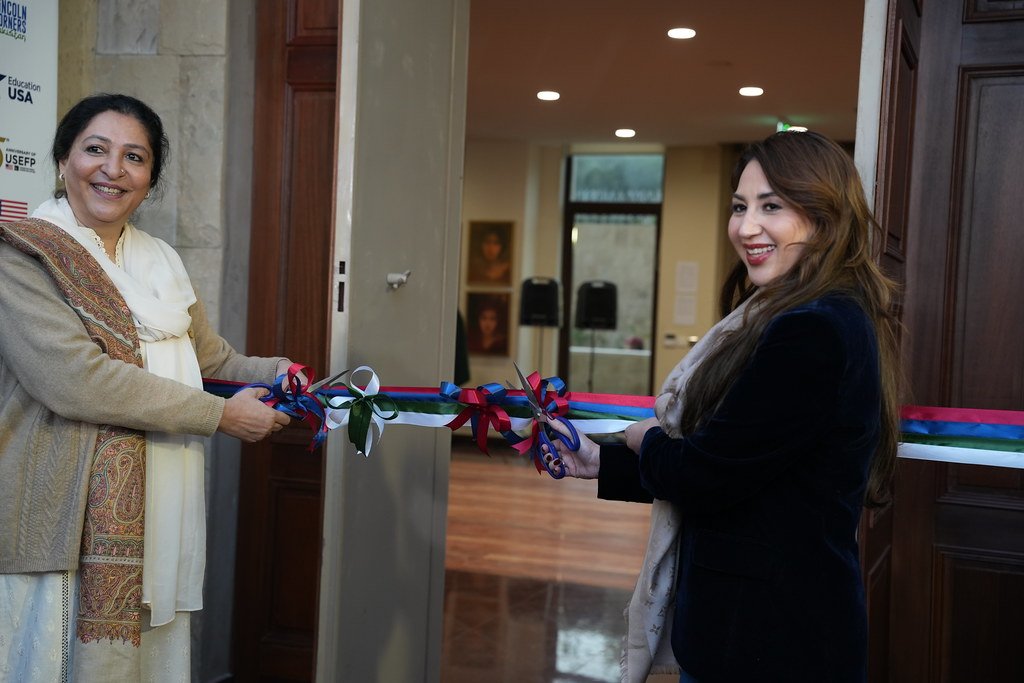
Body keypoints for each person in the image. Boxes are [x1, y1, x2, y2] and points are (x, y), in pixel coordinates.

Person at [543, 130, 901, 682]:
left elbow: (706, 475)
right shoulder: (805, 315)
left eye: (772, 206)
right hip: (766, 632)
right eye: (739, 206)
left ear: (827, 218)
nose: (746, 227)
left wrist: (645, 438)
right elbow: (742, 463)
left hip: (772, 640)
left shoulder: (813, 330)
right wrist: (601, 461)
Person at [0, 93, 294, 681]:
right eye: (95, 150)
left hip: (157, 504)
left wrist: (283, 376)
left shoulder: (160, 262)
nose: (113, 169)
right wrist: (219, 416)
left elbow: (209, 357)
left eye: (134, 156)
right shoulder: (23, 255)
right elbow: (76, 380)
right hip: (57, 513)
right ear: (63, 160)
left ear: (149, 179)